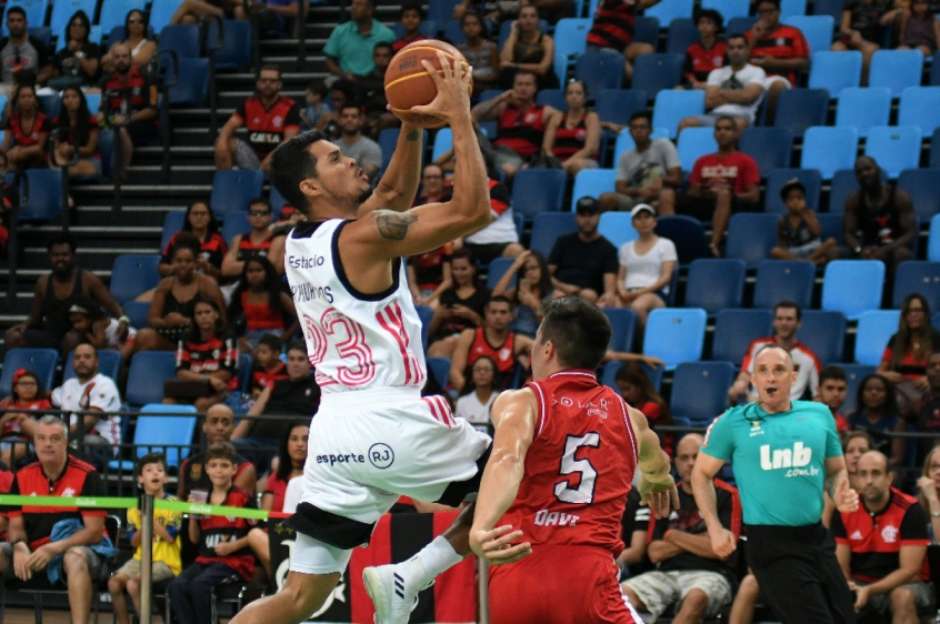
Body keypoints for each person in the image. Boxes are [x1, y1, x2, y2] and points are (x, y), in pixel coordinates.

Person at [228, 53, 494, 624]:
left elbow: (394, 190)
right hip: (394, 418)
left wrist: (411, 122)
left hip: (332, 436)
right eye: (335, 159)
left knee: (298, 599)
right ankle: (409, 575)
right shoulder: (363, 238)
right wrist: (460, 116)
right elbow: (473, 209)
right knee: (519, 478)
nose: (351, 160)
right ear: (309, 185)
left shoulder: (300, 242)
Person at [468, 297, 679, 624]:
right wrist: (657, 478)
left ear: (548, 349)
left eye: (536, 340)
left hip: (518, 574)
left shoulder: (522, 402)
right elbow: (657, 459)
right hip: (589, 580)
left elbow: (507, 458)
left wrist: (482, 525)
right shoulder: (630, 417)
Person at [691, 344, 860, 624]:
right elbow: (701, 474)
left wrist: (839, 492)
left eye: (779, 370)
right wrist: (714, 526)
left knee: (846, 618)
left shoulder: (819, 414)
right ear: (753, 379)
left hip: (816, 539)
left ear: (793, 377)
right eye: (763, 371)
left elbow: (836, 471)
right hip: (771, 545)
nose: (771, 377)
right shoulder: (733, 422)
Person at [0, 415, 112, 624]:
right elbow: (15, 525)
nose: (47, 444)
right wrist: (19, 546)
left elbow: (94, 532)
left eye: (54, 438)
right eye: (41, 438)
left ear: (66, 442)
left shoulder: (88, 475)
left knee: (74, 557)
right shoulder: (22, 476)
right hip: (34, 553)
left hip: (79, 552)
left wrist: (55, 548)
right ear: (34, 443)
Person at [621, 434, 741, 623]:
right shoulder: (666, 496)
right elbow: (654, 552)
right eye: (684, 458)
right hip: (666, 574)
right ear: (675, 462)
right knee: (621, 595)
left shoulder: (727, 494)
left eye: (696, 456)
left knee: (696, 598)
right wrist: (702, 539)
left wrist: (673, 535)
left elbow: (721, 550)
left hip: (713, 574)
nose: (691, 463)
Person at [832, 450, 933, 621]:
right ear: (855, 479)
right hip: (860, 583)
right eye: (863, 474)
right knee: (832, 595)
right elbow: (841, 565)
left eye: (876, 473)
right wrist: (849, 588)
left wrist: (870, 590)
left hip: (909, 585)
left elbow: (909, 570)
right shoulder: (844, 509)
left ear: (889, 478)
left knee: (901, 597)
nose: (869, 481)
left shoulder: (910, 509)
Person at [169, 442, 256, 624]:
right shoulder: (201, 498)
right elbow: (194, 539)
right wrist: (193, 515)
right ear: (207, 469)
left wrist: (233, 546)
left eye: (224, 466)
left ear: (234, 469)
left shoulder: (243, 497)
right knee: (176, 586)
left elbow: (258, 533)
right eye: (214, 466)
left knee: (199, 585)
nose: (219, 470)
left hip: (234, 562)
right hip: (205, 560)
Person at [4, 235, 124, 351]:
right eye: (55, 255)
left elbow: (113, 305)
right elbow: (35, 318)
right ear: (49, 257)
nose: (60, 259)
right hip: (52, 335)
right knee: (12, 337)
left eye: (65, 255)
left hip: (81, 336)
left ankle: (69, 371)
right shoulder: (43, 282)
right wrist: (24, 326)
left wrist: (123, 320)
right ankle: (22, 371)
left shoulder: (88, 279)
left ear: (73, 256)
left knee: (71, 339)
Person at [108, 453, 182, 624]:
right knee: (114, 583)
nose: (155, 473)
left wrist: (148, 516)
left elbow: (170, 537)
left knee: (134, 584)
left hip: (166, 562)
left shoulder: (174, 503)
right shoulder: (134, 508)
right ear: (140, 479)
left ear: (166, 478)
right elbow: (134, 542)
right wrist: (143, 522)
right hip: (140, 559)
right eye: (149, 470)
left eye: (160, 470)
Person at [681, 115, 760, 255]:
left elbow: (754, 196)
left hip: (733, 203)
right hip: (705, 202)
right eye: (718, 129)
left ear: (736, 133)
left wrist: (732, 194)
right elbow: (693, 192)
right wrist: (706, 192)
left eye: (727, 129)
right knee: (666, 194)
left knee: (723, 194)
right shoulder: (702, 161)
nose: (722, 132)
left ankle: (714, 244)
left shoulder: (745, 161)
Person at [136, 237, 226, 351]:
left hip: (199, 338)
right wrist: (166, 322)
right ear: (172, 262)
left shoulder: (207, 284)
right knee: (144, 336)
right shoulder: (165, 284)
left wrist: (185, 321)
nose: (183, 265)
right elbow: (153, 319)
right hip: (171, 339)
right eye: (179, 261)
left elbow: (222, 321)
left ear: (196, 263)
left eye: (188, 261)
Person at [232, 342, 321, 459]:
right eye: (291, 359)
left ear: (309, 363)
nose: (295, 364)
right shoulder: (274, 384)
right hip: (257, 442)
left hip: (291, 448)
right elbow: (251, 416)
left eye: (300, 359)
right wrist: (231, 441)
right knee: (230, 448)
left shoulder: (318, 386)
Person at [246, 422, 309, 576]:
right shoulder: (275, 478)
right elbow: (266, 517)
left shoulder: (318, 477)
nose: (300, 444)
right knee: (254, 535)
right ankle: (280, 584)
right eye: (294, 439)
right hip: (279, 536)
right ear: (286, 444)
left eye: (305, 439)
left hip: (308, 536)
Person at [728, 300, 821, 404]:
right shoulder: (757, 346)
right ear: (774, 322)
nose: (784, 323)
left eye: (789, 319)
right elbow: (745, 375)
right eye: (779, 318)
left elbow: (817, 395)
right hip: (757, 405)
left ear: (798, 323)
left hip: (789, 413)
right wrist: (740, 384)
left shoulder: (809, 358)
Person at [472, 70, 558, 178]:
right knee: (470, 126)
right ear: (513, 87)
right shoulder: (503, 108)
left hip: (518, 158)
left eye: (527, 84)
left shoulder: (545, 112)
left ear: (535, 88)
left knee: (506, 168)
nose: (523, 88)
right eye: (519, 84)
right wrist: (500, 98)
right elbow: (474, 115)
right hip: (495, 151)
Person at [215, 65, 301, 172]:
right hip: (253, 159)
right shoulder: (248, 104)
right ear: (258, 83)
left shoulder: (290, 106)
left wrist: (271, 158)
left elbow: (289, 141)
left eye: (272, 81)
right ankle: (229, 185)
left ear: (279, 84)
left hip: (277, 159)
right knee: (224, 142)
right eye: (264, 80)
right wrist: (222, 142)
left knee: (286, 152)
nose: (267, 84)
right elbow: (229, 126)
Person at [843, 155, 916, 273]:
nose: (864, 174)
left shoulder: (899, 197)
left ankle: (893, 291)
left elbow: (910, 233)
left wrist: (885, 250)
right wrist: (859, 249)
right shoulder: (854, 200)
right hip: (866, 249)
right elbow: (848, 234)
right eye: (859, 172)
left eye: (868, 169)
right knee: (834, 252)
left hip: (893, 248)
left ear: (878, 170)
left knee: (901, 254)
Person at [599, 111, 681, 214]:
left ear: (650, 130)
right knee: (606, 198)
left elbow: (677, 179)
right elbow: (619, 187)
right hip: (635, 198)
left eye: (643, 127)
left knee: (666, 194)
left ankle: (667, 228)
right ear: (630, 132)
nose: (638, 131)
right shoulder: (625, 156)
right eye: (634, 128)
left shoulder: (664, 145)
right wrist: (638, 191)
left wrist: (658, 180)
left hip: (659, 195)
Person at [679, 34, 766, 132]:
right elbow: (710, 101)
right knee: (686, 123)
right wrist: (739, 95)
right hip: (716, 116)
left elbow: (748, 97)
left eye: (740, 47)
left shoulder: (757, 71)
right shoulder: (716, 73)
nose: (735, 51)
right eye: (731, 48)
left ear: (747, 50)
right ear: (727, 51)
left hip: (741, 117)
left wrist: (721, 93)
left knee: (737, 125)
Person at [448, 296, 534, 392]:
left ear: (511, 316)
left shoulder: (519, 342)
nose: (498, 316)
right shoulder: (469, 335)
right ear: (486, 313)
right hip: (470, 392)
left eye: (503, 312)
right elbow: (455, 373)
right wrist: (473, 398)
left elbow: (545, 353)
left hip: (500, 399)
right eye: (493, 312)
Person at [51, 342, 123, 456]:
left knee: (85, 442)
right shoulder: (68, 384)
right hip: (69, 439)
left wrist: (57, 437)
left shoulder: (105, 384)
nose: (82, 360)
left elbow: (89, 421)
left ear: (97, 362)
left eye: (87, 357)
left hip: (100, 441)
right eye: (77, 357)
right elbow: (48, 395)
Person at [99, 42, 158, 179]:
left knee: (121, 129)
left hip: (143, 124)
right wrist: (104, 118)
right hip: (115, 121)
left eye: (124, 56)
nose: (121, 60)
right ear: (112, 60)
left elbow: (153, 110)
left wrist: (128, 119)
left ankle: (122, 171)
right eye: (117, 57)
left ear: (131, 58)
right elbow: (104, 109)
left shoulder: (146, 77)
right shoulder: (106, 82)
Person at [170, 297, 238, 412]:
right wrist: (208, 379)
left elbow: (226, 372)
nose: (203, 316)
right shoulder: (185, 339)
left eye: (207, 312)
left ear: (216, 315)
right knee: (168, 403)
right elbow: (181, 372)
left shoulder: (227, 338)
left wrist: (207, 380)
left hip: (221, 389)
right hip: (194, 387)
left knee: (201, 404)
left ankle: (198, 430)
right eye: (199, 313)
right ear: (194, 318)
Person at [549, 196, 619, 305]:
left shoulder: (609, 249)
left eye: (591, 215)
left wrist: (604, 299)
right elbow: (546, 274)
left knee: (589, 295)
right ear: (576, 217)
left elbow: (609, 290)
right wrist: (564, 287)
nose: (587, 220)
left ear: (599, 217)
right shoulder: (563, 242)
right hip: (559, 293)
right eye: (582, 215)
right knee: (557, 295)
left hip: (589, 301)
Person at [178, 404, 257, 501]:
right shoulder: (187, 465)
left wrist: (199, 509)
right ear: (205, 426)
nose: (220, 427)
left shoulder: (245, 468)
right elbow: (179, 504)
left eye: (225, 423)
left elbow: (231, 509)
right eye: (214, 422)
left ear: (233, 428)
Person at [879, 293, 940, 418]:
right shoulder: (895, 339)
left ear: (925, 314)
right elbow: (879, 372)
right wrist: (888, 375)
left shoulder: (936, 338)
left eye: (918, 310)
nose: (913, 314)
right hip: (900, 392)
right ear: (904, 316)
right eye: (909, 311)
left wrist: (930, 379)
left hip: (928, 392)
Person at [615, 204, 677, 327]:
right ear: (633, 223)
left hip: (655, 293)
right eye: (639, 218)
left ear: (654, 221)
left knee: (638, 306)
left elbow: (665, 277)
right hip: (629, 292)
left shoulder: (666, 244)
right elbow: (621, 278)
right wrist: (622, 292)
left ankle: (644, 345)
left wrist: (641, 292)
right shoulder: (625, 248)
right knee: (611, 306)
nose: (643, 221)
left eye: (647, 217)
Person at [746, 0, 809, 118]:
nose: (766, 16)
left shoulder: (793, 33)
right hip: (752, 79)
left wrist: (775, 64)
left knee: (777, 87)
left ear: (779, 12)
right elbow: (738, 62)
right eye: (762, 12)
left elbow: (804, 63)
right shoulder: (750, 34)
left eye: (770, 12)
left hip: (780, 77)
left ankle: (768, 123)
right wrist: (753, 39)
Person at [227, 256, 297, 348]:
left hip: (274, 337)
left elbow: (300, 318)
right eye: (250, 271)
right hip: (249, 337)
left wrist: (284, 337)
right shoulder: (241, 295)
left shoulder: (278, 295)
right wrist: (239, 338)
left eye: (259, 270)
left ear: (267, 272)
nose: (254, 274)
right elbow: (231, 319)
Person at [323, 0, 395, 84]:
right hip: (346, 82)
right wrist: (343, 75)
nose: (353, 7)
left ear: (370, 9)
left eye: (359, 4)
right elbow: (329, 60)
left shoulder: (387, 34)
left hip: (377, 82)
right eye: (353, 3)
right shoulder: (340, 31)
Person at [770, 178, 839, 266]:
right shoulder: (783, 221)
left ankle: (806, 262)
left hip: (812, 249)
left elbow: (817, 232)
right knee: (775, 251)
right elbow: (782, 244)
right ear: (785, 203)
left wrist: (803, 214)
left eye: (799, 198)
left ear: (804, 200)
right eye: (791, 199)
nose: (796, 202)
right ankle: (807, 263)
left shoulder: (809, 214)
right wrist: (785, 252)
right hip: (794, 251)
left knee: (831, 241)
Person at [426, 248, 489, 344]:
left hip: (471, 341)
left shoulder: (484, 294)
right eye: (455, 269)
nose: (459, 273)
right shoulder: (447, 293)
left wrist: (471, 316)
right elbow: (428, 333)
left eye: (463, 269)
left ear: (473, 269)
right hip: (444, 339)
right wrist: (439, 317)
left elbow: (490, 330)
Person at [541, 79, 600, 176]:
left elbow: (590, 149)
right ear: (565, 97)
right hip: (557, 162)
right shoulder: (556, 118)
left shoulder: (592, 117)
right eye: (570, 93)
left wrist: (565, 164)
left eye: (578, 93)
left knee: (576, 165)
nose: (574, 96)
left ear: (585, 97)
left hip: (584, 161)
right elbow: (546, 148)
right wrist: (553, 163)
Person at [585, 0, 657, 80]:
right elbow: (644, 3)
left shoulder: (630, 4)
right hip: (600, 46)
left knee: (646, 49)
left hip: (620, 47)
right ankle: (643, 83)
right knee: (630, 72)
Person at [615, 362, 674, 456]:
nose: (624, 394)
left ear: (640, 385)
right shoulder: (630, 405)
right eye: (622, 390)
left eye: (627, 389)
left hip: (661, 455)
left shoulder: (653, 406)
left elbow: (631, 426)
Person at [159, 201, 226, 281]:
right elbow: (162, 267)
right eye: (195, 213)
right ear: (189, 217)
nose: (199, 217)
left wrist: (207, 267)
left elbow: (225, 274)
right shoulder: (177, 238)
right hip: (179, 284)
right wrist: (177, 267)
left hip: (207, 286)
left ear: (209, 217)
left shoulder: (218, 241)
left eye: (203, 214)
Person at [491, 249, 552, 337]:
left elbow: (551, 325)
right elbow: (495, 298)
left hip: (535, 341)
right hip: (512, 338)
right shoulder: (518, 291)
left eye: (533, 268)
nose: (529, 273)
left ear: (542, 268)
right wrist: (515, 266)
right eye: (525, 270)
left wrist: (532, 303)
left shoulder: (553, 293)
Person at [849, 373, 905, 466]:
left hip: (884, 469)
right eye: (868, 389)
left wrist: (874, 465)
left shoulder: (898, 422)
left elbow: (897, 458)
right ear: (861, 394)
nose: (873, 393)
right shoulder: (852, 418)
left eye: (879, 390)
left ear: (888, 394)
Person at [221, 197, 282, 280]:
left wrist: (237, 265)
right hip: (240, 286)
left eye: (263, 213)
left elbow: (270, 267)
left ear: (271, 216)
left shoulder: (278, 239)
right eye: (254, 213)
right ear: (247, 217)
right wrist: (260, 264)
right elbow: (226, 269)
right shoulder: (238, 239)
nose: (258, 216)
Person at [49, 86, 101, 179]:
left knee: (63, 170)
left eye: (74, 96)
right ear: (63, 101)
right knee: (57, 162)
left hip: (87, 159)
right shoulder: (56, 122)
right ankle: (64, 184)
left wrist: (71, 149)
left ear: (80, 99)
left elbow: (90, 149)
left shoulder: (91, 121)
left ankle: (61, 176)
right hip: (65, 159)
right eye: (66, 97)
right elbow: (56, 146)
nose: (70, 100)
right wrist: (61, 148)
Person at [832, 0, 899, 72]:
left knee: (869, 50)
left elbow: (904, 7)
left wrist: (895, 12)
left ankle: (863, 82)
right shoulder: (850, 2)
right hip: (851, 37)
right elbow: (844, 28)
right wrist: (852, 33)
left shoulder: (883, 3)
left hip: (870, 39)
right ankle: (842, 79)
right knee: (836, 47)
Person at [498, 5, 555, 89]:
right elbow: (505, 61)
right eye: (524, 16)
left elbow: (543, 69)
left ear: (538, 20)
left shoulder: (547, 40)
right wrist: (513, 33)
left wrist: (514, 66)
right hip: (517, 81)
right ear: (518, 20)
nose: (528, 20)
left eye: (532, 16)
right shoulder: (513, 39)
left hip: (540, 81)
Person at [0, 369, 47, 466]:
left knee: (6, 456)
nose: (28, 387)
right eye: (24, 384)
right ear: (15, 388)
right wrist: (4, 420)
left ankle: (8, 481)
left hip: (26, 442)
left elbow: (45, 429)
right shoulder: (5, 405)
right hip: (4, 440)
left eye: (32, 384)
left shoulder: (43, 404)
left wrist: (25, 418)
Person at [0, 82, 49, 171]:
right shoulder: (11, 120)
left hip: (39, 161)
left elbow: (39, 148)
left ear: (35, 99)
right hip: (17, 159)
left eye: (30, 96)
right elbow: (5, 144)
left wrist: (21, 151)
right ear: (18, 100)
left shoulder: (44, 120)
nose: (27, 99)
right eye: (23, 97)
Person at [46, 10, 100, 89]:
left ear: (86, 30)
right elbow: (54, 75)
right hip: (63, 89)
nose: (76, 28)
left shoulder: (92, 47)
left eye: (81, 26)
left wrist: (76, 51)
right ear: (69, 29)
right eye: (73, 25)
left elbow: (91, 71)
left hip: (84, 88)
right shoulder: (61, 53)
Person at [0, 7, 50, 86]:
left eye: (19, 20)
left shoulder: (37, 45)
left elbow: (48, 69)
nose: (15, 24)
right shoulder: (1, 45)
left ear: (26, 23)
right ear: (6, 24)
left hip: (30, 88)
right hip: (5, 88)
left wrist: (32, 82)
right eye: (12, 20)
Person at [101, 9, 157, 74]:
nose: (136, 24)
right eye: (132, 21)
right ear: (127, 24)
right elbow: (104, 61)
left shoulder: (150, 44)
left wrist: (115, 60)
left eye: (140, 21)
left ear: (145, 25)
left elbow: (140, 61)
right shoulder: (118, 43)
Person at [456, 12, 499, 96]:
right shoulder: (458, 50)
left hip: (487, 89)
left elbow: (495, 74)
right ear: (462, 28)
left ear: (481, 27)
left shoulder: (491, 47)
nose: (471, 27)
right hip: (465, 90)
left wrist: (472, 75)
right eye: (467, 24)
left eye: (475, 24)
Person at [335, 103, 382, 179]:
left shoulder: (372, 147)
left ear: (361, 120)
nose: (349, 119)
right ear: (339, 120)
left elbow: (365, 175)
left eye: (354, 116)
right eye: (345, 116)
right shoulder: (331, 147)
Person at [454, 356, 497, 433]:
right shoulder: (462, 402)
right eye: (478, 370)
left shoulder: (501, 399)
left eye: (486, 370)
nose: (482, 373)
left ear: (494, 374)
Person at [684, 9, 727, 87]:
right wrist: (695, 83)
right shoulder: (692, 49)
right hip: (696, 85)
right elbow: (688, 72)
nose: (704, 26)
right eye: (701, 22)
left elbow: (728, 71)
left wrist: (710, 85)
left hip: (718, 86)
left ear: (716, 27)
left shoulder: (724, 47)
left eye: (709, 23)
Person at [913, 352, 940, 464]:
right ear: (926, 372)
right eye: (932, 365)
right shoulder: (917, 402)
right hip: (924, 467)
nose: (938, 368)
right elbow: (901, 420)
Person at [246, 334, 288, 399]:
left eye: (263, 352)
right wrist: (255, 391)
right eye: (258, 351)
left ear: (276, 354)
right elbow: (252, 388)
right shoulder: (256, 368)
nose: (259, 355)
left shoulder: (286, 371)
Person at [916, 444, 940, 543]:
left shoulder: (932, 498)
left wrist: (933, 499)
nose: (938, 472)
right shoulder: (914, 507)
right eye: (934, 466)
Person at [817, 364, 850, 434]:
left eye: (841, 389)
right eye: (830, 388)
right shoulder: (808, 418)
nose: (836, 394)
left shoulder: (844, 421)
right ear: (818, 390)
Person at [171, 0, 247, 23]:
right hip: (210, 15)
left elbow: (245, 3)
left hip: (225, 14)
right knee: (187, 19)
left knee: (189, 4)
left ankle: (165, 35)